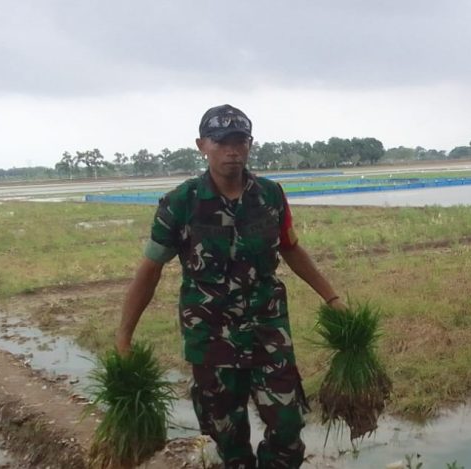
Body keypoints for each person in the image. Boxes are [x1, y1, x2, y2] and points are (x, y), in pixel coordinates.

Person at [115, 104, 346, 468]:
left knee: (288, 429)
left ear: (250, 145)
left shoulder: (270, 196)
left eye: (239, 141)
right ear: (202, 145)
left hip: (267, 332)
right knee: (229, 439)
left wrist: (332, 297)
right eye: (221, 141)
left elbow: (291, 248)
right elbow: (149, 270)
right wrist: (124, 337)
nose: (232, 150)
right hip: (211, 339)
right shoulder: (180, 203)